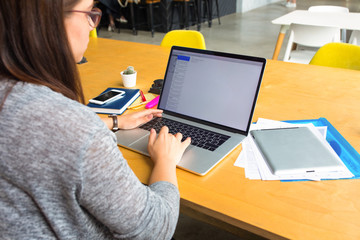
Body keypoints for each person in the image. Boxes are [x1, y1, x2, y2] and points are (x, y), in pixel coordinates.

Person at [0, 0, 191, 239]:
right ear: (47, 22)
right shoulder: (75, 130)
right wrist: (165, 160)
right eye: (89, 13)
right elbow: (155, 228)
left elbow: (36, 132)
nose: (93, 27)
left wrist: (115, 121)